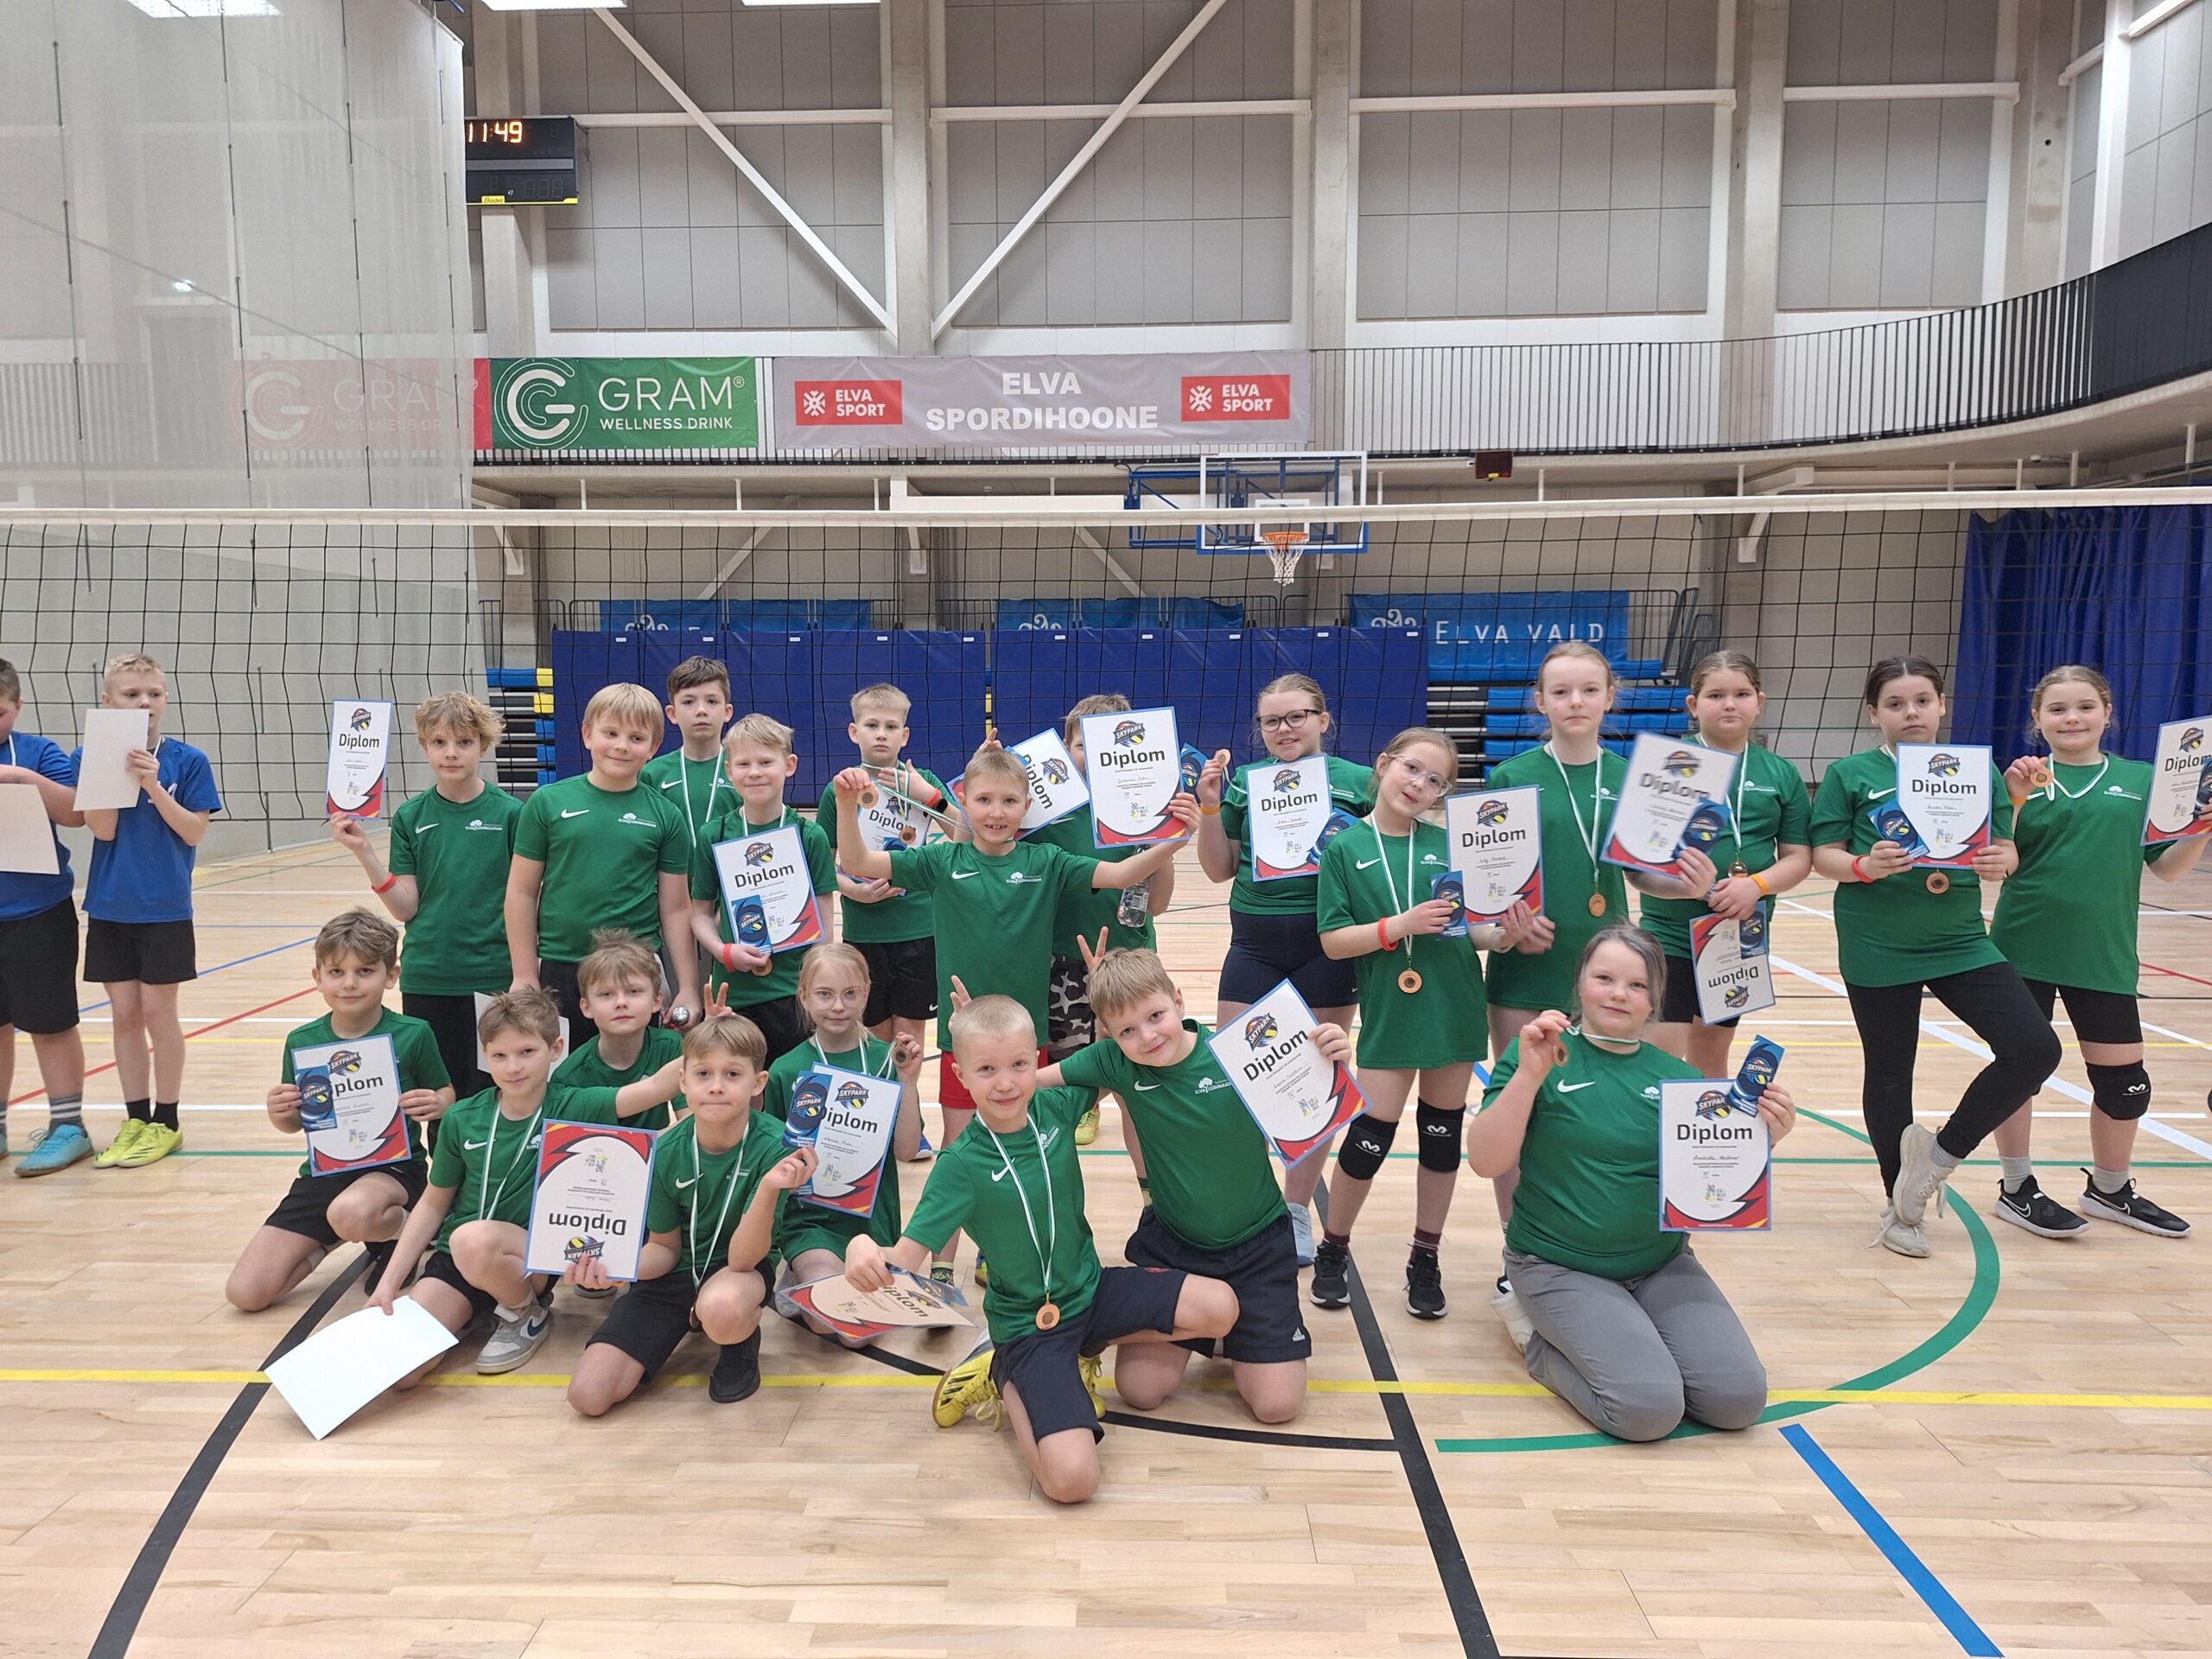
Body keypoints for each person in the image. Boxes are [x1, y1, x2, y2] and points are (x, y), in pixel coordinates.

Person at [842, 994, 1238, 1505]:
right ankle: (1001, 1370)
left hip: (1091, 1292)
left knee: (1221, 1307)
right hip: (1029, 1326)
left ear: (1037, 1062)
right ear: (961, 1075)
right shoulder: (959, 1166)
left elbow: (1114, 1059)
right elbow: (903, 1260)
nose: (1005, 1083)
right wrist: (860, 1246)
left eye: (1018, 1065)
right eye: (986, 1069)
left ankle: (1083, 1352)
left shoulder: (1057, 1107)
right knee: (1072, 1483)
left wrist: (1108, 1001)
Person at [830, 742, 1192, 1278]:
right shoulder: (941, 860)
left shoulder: (1045, 861)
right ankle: (941, 1268)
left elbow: (1119, 877)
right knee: (959, 1146)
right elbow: (859, 863)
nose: (996, 812)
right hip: (963, 1036)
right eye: (983, 800)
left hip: (1027, 1039)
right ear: (964, 801)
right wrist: (845, 805)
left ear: (1027, 806)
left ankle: (997, 1253)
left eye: (1008, 801)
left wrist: (1174, 838)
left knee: (1023, 1148)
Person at [1467, 926, 1792, 1442]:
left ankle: (1628, 1332)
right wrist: (1527, 1077)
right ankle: (1537, 1343)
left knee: (1737, 1400)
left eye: (1637, 985)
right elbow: (1486, 1161)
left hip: (1661, 1264)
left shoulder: (1682, 1081)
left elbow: (1708, 1189)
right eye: (1604, 978)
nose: (1619, 993)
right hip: (1560, 1264)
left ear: (1654, 999)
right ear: (1580, 982)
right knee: (1647, 1411)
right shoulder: (1540, 1056)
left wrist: (1760, 1141)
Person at [1809, 655, 2061, 1257]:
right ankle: (1899, 1206)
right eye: (1895, 704)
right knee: (1890, 1072)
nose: (1911, 712)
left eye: (1922, 700)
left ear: (1941, 704)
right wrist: (1864, 865)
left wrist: (2002, 861)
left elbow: (2005, 847)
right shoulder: (1850, 773)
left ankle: (1937, 1160)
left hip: (1958, 939)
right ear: (1874, 713)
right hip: (1876, 939)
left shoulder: (1975, 771)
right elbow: (1823, 855)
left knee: (2035, 1049)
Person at [1041, 946, 1354, 1424]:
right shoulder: (1115, 1062)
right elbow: (1029, 1081)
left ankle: (1231, 1327)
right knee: (1140, 1390)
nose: (1147, 1036)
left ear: (1179, 1000)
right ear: (1108, 1035)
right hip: (1175, 1247)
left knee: (1277, 1406)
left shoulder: (1239, 1055)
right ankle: (1138, 1326)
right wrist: (990, 1060)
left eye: (1155, 1016)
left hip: (1258, 1247)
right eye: (1127, 1030)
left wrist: (1332, 1054)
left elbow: (1316, 1096)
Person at [1312, 727, 1534, 1319]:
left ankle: (1425, 1255)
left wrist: (1503, 936)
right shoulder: (1343, 848)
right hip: (1391, 1010)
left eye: (1436, 780)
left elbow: (1473, 930)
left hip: (1454, 1005)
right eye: (1412, 768)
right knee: (1368, 1140)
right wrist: (1400, 926)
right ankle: (1333, 1247)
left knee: (1441, 1140)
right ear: (1384, 764)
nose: (1419, 784)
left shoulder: (1452, 844)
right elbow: (1334, 941)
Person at [1986, 666, 2206, 1239]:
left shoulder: (2141, 780)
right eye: (2057, 709)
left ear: (2107, 713)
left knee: (2125, 1086)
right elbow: (1998, 861)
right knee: (2017, 1075)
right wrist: (2012, 797)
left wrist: (2201, 827)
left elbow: (2167, 870)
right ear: (2037, 719)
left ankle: (2110, 1190)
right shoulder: (2019, 779)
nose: (2072, 718)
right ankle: (2016, 1188)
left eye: (2085, 706)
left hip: (2103, 953)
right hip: (2022, 948)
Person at [366, 988, 684, 1377]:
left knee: (473, 1240)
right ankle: (479, 1309)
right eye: (499, 1055)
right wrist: (388, 1284)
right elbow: (432, 1204)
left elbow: (655, 1088)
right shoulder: (462, 1117)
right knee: (402, 1372)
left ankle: (524, 1312)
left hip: (529, 1258)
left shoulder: (574, 1105)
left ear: (555, 1049)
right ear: (485, 1055)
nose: (513, 1066)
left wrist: (712, 1035)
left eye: (527, 1052)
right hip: (458, 1257)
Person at [1192, 673, 1374, 1263]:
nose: (1284, 729)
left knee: (1315, 1084)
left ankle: (1295, 1211)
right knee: (1237, 1078)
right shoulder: (1244, 783)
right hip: (1254, 944)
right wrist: (1210, 805)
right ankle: (1247, 1204)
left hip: (1328, 947)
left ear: (1323, 720)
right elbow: (1218, 869)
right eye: (1272, 720)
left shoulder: (1359, 783)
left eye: (1296, 717)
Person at [565, 1012, 817, 1414]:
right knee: (588, 1396)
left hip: (737, 1273)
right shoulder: (663, 1151)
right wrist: (614, 1267)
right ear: (683, 1082)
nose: (716, 1086)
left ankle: (738, 1339)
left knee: (721, 1306)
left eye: (732, 1074)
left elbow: (744, 1259)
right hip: (675, 1273)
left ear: (757, 1083)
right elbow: (664, 1249)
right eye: (703, 1074)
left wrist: (770, 1188)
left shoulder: (775, 1147)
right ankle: (688, 1317)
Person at [226, 911, 454, 1312]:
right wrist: (279, 1111)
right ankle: (331, 1236)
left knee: (351, 1211)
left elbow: (446, 1093)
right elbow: (294, 1122)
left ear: (390, 975)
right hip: (324, 1172)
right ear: (317, 978)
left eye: (365, 971)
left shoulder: (413, 1033)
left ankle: (408, 1235)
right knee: (246, 1293)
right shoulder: (302, 1041)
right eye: (336, 972)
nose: (349, 983)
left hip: (392, 1170)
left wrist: (437, 1103)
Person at [1481, 642, 1629, 1233]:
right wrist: (1509, 929)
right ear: (1540, 702)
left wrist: (1687, 878)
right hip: (1526, 970)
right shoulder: (1511, 777)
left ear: (1609, 698)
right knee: (1517, 1110)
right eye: (1561, 691)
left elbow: (1648, 875)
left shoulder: (1632, 778)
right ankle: (1517, 1249)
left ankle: (1582, 1238)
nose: (1575, 701)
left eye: (1589, 690)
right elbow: (1489, 888)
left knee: (1596, 1115)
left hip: (1610, 973)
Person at [1630, 652, 1812, 1076]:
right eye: (1716, 695)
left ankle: (1706, 1123)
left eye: (1741, 694)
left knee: (1712, 1053)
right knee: (1661, 1055)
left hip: (1738, 936)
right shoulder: (1667, 765)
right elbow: (1637, 869)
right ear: (1693, 705)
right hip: (1670, 935)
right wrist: (1683, 887)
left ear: (1759, 702)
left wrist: (1756, 886)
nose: (1729, 704)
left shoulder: (1780, 773)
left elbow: (1799, 858)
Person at [333, 690, 518, 1105]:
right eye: (439, 742)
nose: (451, 753)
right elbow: (406, 907)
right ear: (424, 746)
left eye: (464, 742)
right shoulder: (411, 816)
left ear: (482, 745)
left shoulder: (511, 814)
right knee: (437, 1100)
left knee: (492, 1097)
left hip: (493, 977)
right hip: (429, 977)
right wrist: (364, 852)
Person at [78, 652, 221, 1170]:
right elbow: (102, 830)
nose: (145, 703)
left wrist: (153, 785)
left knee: (159, 1013)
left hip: (164, 909)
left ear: (165, 699)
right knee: (124, 1015)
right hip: (110, 906)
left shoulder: (188, 760)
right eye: (132, 694)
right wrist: (108, 770)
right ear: (108, 701)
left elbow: (195, 832)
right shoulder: (90, 755)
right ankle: (135, 1117)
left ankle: (167, 1119)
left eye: (154, 694)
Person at [506, 683, 699, 1044]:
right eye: (610, 733)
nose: (622, 745)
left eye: (636, 737)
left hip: (636, 968)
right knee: (561, 1070)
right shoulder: (547, 802)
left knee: (638, 1070)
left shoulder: (665, 815)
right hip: (561, 963)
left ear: (654, 747)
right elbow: (521, 892)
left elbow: (675, 907)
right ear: (586, 735)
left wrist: (688, 987)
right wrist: (524, 974)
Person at [1026, 693, 1177, 1147]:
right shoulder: (1043, 809)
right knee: (1068, 1064)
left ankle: (1149, 1167)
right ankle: (1085, 1108)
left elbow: (1157, 904)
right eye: (1080, 745)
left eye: (1106, 745)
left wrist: (1165, 838)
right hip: (1062, 957)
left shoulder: (1145, 808)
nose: (1092, 756)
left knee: (1140, 1070)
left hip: (1129, 958)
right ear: (1063, 749)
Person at [760, 944, 925, 1342]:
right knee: (832, 1321)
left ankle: (812, 1285)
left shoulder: (888, 1061)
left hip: (872, 1225)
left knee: (857, 1334)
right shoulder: (785, 1070)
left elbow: (906, 1151)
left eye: (850, 993)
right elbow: (773, 1159)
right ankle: (803, 1273)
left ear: (866, 995)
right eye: (825, 994)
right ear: (803, 997)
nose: (838, 1006)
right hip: (811, 1221)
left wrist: (908, 1082)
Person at [689, 713, 837, 1064]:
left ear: (790, 765)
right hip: (735, 993)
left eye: (766, 762)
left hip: (794, 993)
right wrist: (724, 952)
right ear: (729, 771)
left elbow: (824, 919)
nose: (754, 772)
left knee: (794, 1087)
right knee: (741, 1083)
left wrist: (816, 983)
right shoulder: (714, 834)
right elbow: (699, 914)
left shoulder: (809, 835)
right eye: (744, 764)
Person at [815, 683, 948, 1061]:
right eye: (872, 725)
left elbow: (968, 836)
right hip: (865, 932)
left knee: (908, 1042)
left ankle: (909, 1102)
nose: (881, 734)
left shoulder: (923, 781)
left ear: (904, 735)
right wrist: (851, 890)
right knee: (874, 1042)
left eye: (891, 727)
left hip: (919, 930)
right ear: (854, 731)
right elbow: (822, 864)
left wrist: (928, 796)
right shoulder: (838, 790)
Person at [0, 658, 93, 1175]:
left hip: (37, 912)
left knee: (51, 1023)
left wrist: (20, 778)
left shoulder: (37, 753)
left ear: (18, 706)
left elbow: (76, 813)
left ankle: (68, 1126)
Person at [639, 655, 734, 851]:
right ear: (672, 714)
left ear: (727, 711)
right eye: (689, 702)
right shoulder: (653, 773)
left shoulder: (744, 769)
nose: (701, 710)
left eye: (712, 701)